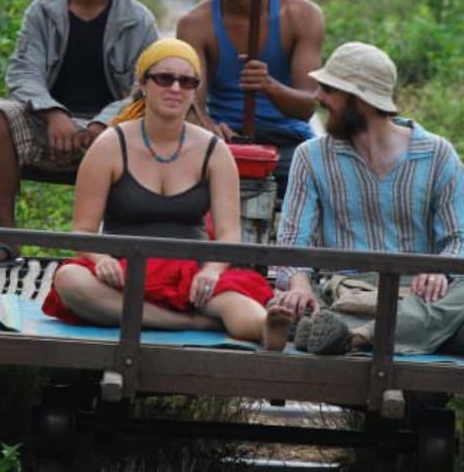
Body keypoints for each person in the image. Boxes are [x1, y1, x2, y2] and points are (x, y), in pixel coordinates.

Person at [41, 39, 294, 350]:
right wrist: (101, 258)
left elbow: (229, 233)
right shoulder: (110, 144)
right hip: (125, 267)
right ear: (143, 84)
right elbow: (82, 229)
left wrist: (213, 270)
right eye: (164, 78)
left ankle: (266, 329)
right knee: (70, 280)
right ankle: (188, 322)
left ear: (195, 91)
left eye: (187, 82)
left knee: (234, 300)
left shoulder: (214, 150)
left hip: (190, 269)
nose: (175, 88)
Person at [273, 42, 464, 358]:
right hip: (344, 289)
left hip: (418, 292)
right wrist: (299, 286)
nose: (318, 97)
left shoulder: (437, 154)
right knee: (286, 304)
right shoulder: (311, 156)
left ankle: (356, 337)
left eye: (329, 89)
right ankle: (442, 333)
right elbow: (294, 240)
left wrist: (440, 269)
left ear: (360, 100)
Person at [0, 0, 159, 267]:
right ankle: (7, 237)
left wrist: (104, 124)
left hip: (112, 133)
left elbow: (141, 89)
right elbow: (23, 73)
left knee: (151, 125)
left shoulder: (139, 20)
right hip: (49, 126)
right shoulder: (42, 10)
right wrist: (53, 112)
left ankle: (116, 247)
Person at [176, 0, 325, 194]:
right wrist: (209, 129)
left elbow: (307, 107)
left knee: (320, 188)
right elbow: (191, 106)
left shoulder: (303, 16)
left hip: (287, 142)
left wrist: (269, 86)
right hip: (225, 140)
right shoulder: (195, 24)